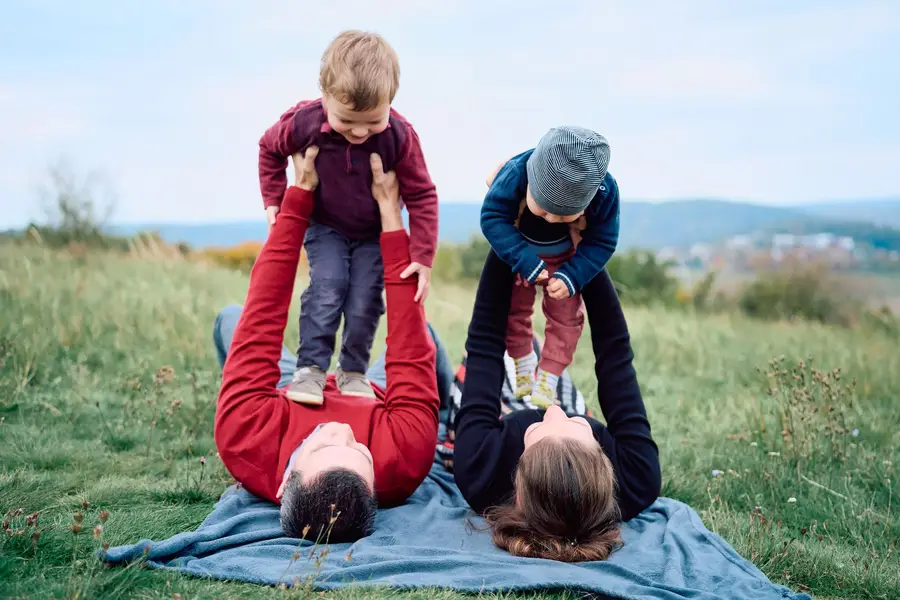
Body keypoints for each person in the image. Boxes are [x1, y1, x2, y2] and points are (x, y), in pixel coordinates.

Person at [214, 148, 439, 543]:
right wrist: (391, 217)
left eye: (322, 447)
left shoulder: (244, 438)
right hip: (372, 393)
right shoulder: (406, 458)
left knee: (233, 317)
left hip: (286, 396)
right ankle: (448, 405)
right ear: (376, 485)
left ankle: (252, 380)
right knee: (426, 336)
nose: (342, 429)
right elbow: (408, 344)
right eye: (360, 449)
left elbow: (263, 313)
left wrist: (298, 196)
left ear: (285, 482)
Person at [258, 30, 439, 405]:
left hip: (373, 234)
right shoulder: (303, 123)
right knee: (329, 286)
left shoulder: (400, 136)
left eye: (373, 122)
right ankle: (310, 369)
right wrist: (273, 198)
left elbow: (422, 194)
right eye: (347, 120)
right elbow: (269, 148)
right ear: (325, 96)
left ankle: (353, 371)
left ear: (390, 102)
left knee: (365, 299)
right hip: (326, 226)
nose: (360, 131)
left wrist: (422, 255)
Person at [451, 248, 661, 562]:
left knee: (485, 360)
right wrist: (585, 256)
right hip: (534, 400)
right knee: (540, 357)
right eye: (578, 423)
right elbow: (614, 354)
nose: (555, 410)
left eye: (536, 429)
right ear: (605, 462)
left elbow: (484, 345)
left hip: (494, 415)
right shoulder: (638, 479)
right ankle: (534, 349)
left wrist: (505, 247)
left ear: (518, 492)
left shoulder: (479, 472)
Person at [480, 126, 619, 407]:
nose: (552, 219)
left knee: (567, 318)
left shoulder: (605, 192)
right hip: (522, 255)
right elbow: (492, 216)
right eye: (543, 208)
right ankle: (521, 359)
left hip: (566, 260)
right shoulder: (515, 172)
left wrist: (573, 276)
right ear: (530, 180)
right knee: (512, 308)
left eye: (565, 215)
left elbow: (603, 241)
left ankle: (549, 375)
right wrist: (522, 259)